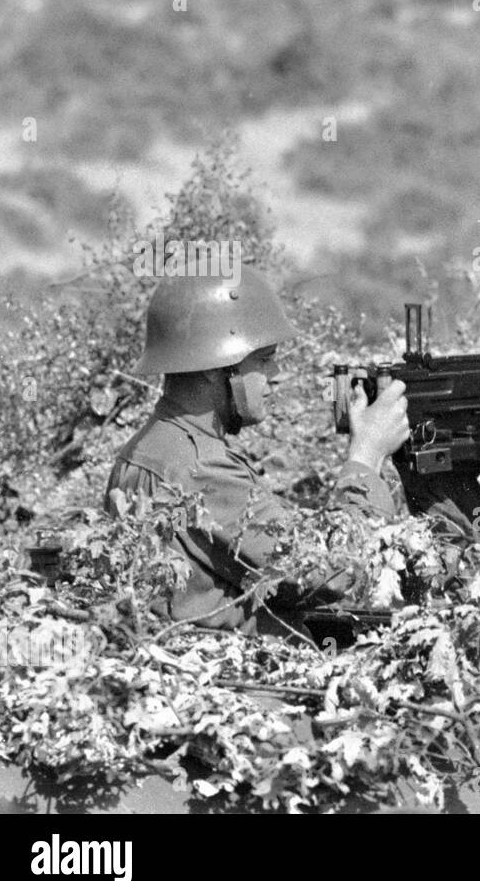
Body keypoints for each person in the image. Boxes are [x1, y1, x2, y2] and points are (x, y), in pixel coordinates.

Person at [103, 265, 411, 633]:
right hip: (248, 679)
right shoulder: (201, 467)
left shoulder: (150, 447)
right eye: (263, 359)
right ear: (214, 367)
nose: (277, 372)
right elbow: (329, 573)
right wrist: (366, 458)